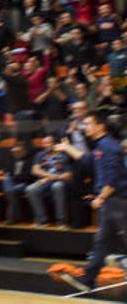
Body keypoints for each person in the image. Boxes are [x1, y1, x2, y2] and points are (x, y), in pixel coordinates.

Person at [53, 112, 127, 293]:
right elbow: (87, 160)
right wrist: (68, 147)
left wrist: (101, 197)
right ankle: (88, 279)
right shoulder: (101, 146)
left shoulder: (109, 146)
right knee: (102, 242)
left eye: (87, 123)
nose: (84, 127)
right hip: (110, 202)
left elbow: (114, 176)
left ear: (100, 126)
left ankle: (89, 278)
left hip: (117, 201)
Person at [26, 136, 72, 228]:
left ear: (54, 143)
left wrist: (49, 178)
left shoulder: (64, 155)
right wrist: (51, 177)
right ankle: (42, 220)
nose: (46, 145)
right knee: (30, 189)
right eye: (44, 143)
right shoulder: (40, 155)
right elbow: (35, 170)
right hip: (46, 181)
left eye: (48, 142)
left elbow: (68, 175)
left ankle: (62, 221)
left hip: (60, 182)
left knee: (57, 186)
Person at [2, 143, 34, 224]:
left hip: (24, 184)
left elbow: (28, 176)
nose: (15, 154)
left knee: (10, 190)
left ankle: (11, 218)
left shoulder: (30, 161)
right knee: (7, 180)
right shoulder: (12, 160)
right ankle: (15, 217)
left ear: (23, 151)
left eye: (18, 152)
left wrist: (14, 177)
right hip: (12, 184)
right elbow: (6, 171)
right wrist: (9, 175)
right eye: (14, 152)